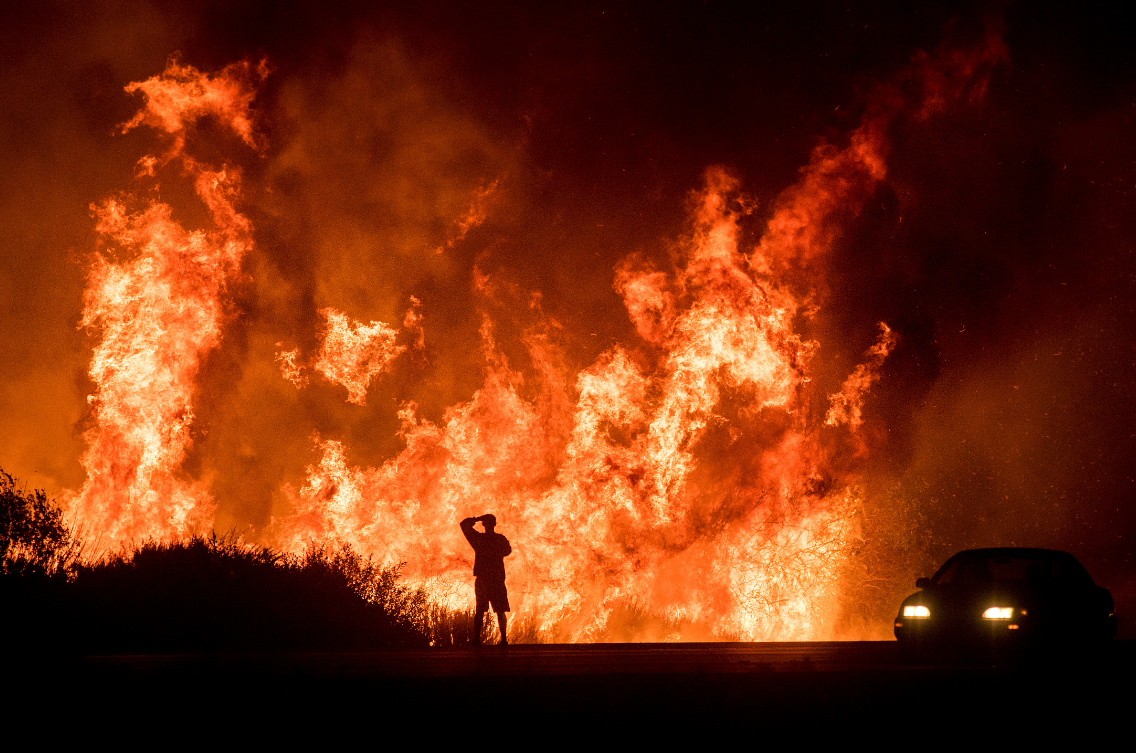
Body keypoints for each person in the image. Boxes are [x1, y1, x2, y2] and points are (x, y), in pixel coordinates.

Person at [460, 514, 512, 646]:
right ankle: (504, 640)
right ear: (495, 524)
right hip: (496, 579)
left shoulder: (478, 539)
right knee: (500, 611)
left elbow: (464, 524)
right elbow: (508, 550)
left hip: (484, 579)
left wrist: (478, 518)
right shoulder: (499, 539)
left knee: (480, 611)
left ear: (483, 524)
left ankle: (476, 640)